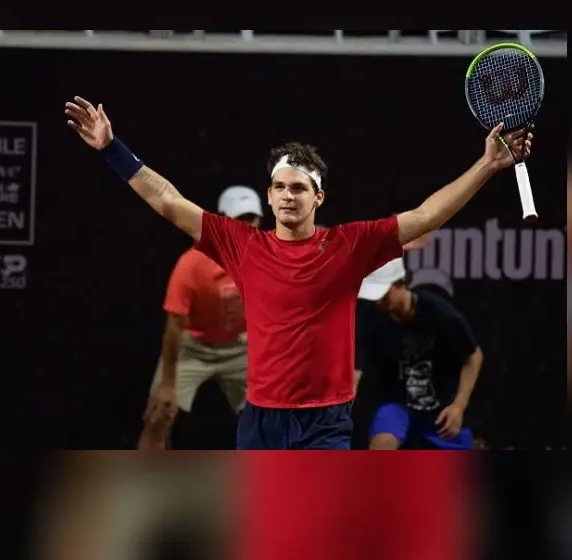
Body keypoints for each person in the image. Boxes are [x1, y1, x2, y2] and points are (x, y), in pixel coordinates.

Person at [64, 95, 531, 450]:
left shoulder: (349, 245)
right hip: (260, 419)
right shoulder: (241, 244)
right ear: (269, 196)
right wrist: (112, 149)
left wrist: (487, 165)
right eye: (280, 187)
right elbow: (167, 200)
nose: (288, 195)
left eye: (299, 188)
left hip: (326, 421)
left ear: (318, 197)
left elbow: (426, 216)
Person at [138, 186, 262, 451]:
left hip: (241, 347)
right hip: (193, 348)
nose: (245, 226)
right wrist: (167, 384)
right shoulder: (192, 265)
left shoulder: (266, 256)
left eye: (250, 219)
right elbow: (174, 327)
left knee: (269, 420)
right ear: (221, 220)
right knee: (158, 416)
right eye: (238, 219)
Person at [354, 257, 484, 450]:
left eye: (383, 294)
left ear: (400, 283)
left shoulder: (439, 312)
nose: (378, 301)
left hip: (441, 406)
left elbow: (474, 356)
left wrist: (458, 406)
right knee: (383, 443)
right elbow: (356, 369)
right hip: (397, 404)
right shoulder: (371, 316)